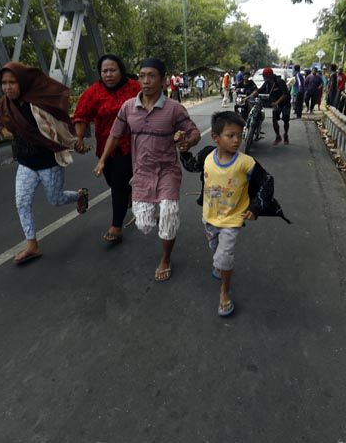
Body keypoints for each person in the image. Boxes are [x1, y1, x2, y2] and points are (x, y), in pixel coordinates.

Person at [0, 61, 87, 264]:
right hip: (26, 164)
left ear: (23, 82)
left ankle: (80, 195)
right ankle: (32, 245)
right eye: (4, 83)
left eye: (12, 82)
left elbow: (60, 127)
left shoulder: (38, 103)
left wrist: (75, 143)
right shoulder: (4, 105)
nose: (7, 87)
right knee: (22, 202)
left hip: (49, 162)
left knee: (56, 200)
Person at [94, 58, 201, 282]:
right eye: (142, 76)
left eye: (151, 76)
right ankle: (152, 208)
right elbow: (115, 134)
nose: (145, 81)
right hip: (141, 172)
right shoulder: (128, 107)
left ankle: (165, 258)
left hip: (167, 170)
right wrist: (103, 160)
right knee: (144, 224)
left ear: (163, 80)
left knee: (169, 216)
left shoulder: (174, 109)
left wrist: (187, 143)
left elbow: (194, 133)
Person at [180, 111, 290, 316]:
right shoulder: (206, 155)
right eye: (230, 135)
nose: (237, 140)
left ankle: (224, 292)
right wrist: (183, 151)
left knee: (224, 258)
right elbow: (192, 166)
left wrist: (256, 207)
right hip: (209, 216)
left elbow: (267, 182)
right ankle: (219, 264)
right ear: (216, 138)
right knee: (215, 249)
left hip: (233, 219)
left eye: (239, 135)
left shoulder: (246, 163)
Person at [73, 54, 140, 244]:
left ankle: (116, 226)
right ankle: (128, 193)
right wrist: (78, 138)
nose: (108, 74)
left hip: (129, 145)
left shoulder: (135, 88)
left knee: (118, 184)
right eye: (105, 71)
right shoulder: (94, 92)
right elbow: (81, 114)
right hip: (105, 147)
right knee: (112, 180)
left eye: (113, 70)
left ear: (121, 70)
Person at [247, 67, 290, 145]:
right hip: (275, 104)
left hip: (285, 103)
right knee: (274, 121)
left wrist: (276, 102)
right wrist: (253, 94)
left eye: (264, 76)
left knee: (286, 121)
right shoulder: (267, 82)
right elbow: (260, 90)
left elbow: (285, 94)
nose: (264, 78)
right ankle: (278, 136)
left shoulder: (280, 81)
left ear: (269, 76)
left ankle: (286, 135)